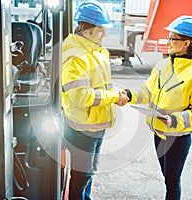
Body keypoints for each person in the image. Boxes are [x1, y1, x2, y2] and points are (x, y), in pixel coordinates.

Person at [124, 15, 192, 199]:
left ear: (187, 43)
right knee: (167, 179)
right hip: (158, 133)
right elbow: (147, 91)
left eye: (173, 38)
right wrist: (130, 95)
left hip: (177, 139)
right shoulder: (163, 66)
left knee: (172, 183)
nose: (168, 42)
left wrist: (174, 120)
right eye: (169, 38)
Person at [61, 1, 129, 199]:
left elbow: (97, 86)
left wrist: (114, 95)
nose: (104, 35)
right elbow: (79, 95)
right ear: (86, 30)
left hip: (94, 124)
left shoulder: (94, 50)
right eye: (100, 30)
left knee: (88, 173)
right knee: (82, 176)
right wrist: (114, 97)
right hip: (84, 127)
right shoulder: (76, 55)